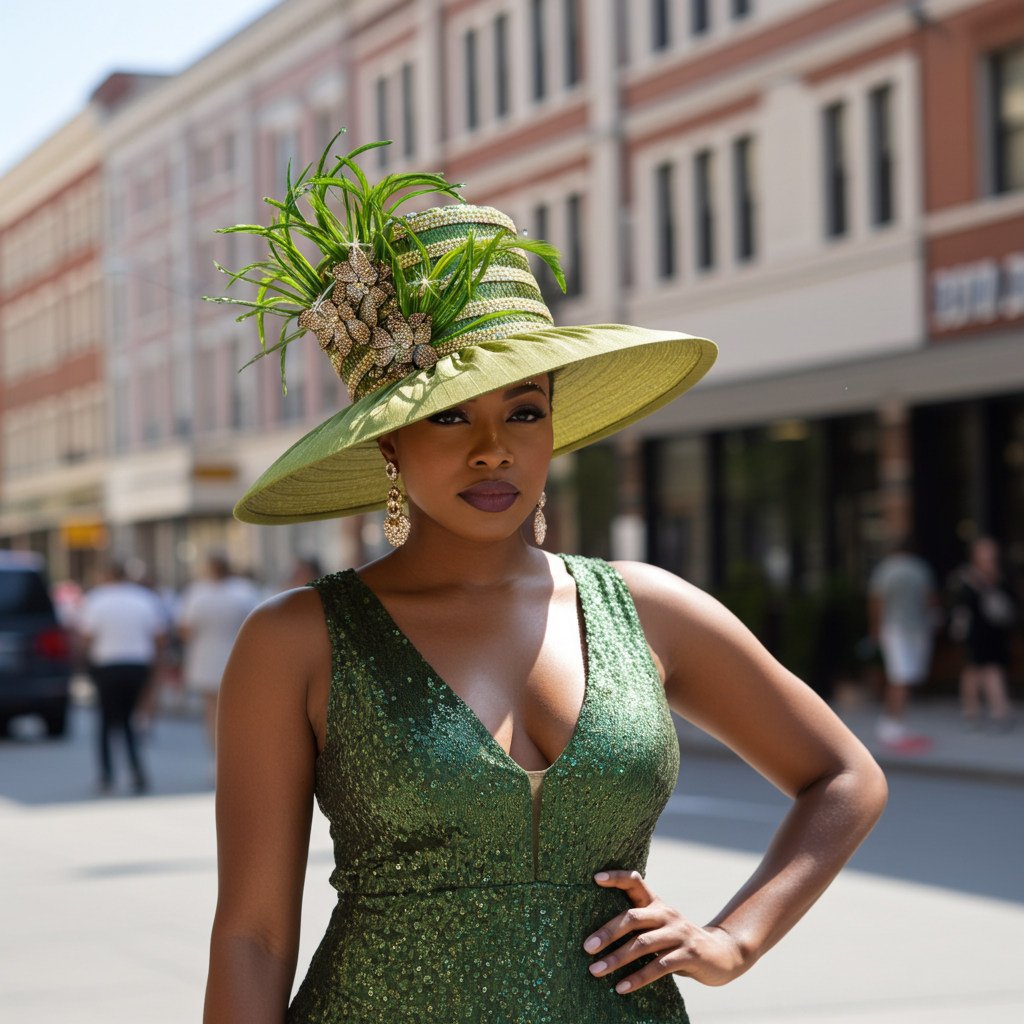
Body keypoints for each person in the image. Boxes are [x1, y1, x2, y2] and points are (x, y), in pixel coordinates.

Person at [202, 147, 887, 1023]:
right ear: (387, 443)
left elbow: (842, 776)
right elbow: (252, 935)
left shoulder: (648, 610)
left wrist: (735, 940)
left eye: (524, 411)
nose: (493, 448)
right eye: (448, 415)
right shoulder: (295, 639)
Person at [79, 563, 166, 794]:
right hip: (136, 664)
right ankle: (136, 771)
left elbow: (87, 637)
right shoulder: (144, 599)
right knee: (129, 720)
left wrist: (85, 663)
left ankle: (106, 774)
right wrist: (154, 664)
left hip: (107, 665)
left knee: (106, 721)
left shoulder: (96, 599)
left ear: (106, 575)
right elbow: (158, 636)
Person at [178, 552, 261, 752]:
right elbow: (259, 624)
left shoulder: (197, 592)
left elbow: (185, 631)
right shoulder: (244, 590)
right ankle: (237, 751)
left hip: (207, 657)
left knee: (212, 711)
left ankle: (217, 756)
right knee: (238, 709)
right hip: (239, 656)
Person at [867, 540, 938, 753]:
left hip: (894, 628)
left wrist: (875, 628)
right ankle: (892, 724)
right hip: (917, 628)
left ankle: (895, 723)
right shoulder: (920, 568)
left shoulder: (885, 569)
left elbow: (876, 601)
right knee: (903, 676)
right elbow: (929, 599)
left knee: (899, 676)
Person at [951, 537, 1016, 731]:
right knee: (983, 669)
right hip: (975, 632)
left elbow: (1011, 601)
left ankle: (975, 711)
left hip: (995, 632)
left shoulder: (1001, 575)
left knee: (979, 671)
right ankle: (996, 711)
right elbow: (959, 607)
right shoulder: (966, 578)